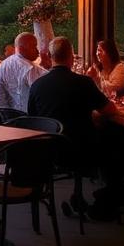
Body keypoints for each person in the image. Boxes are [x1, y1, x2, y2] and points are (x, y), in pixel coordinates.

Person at [28, 37, 118, 212]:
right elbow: (110, 110)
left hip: (49, 151)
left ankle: (83, 195)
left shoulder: (37, 86)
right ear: (71, 56)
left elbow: (32, 119)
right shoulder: (83, 83)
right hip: (81, 150)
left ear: (50, 57)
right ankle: (112, 198)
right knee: (116, 144)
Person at [0, 32, 48, 112]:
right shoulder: (30, 69)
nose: (37, 51)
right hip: (32, 119)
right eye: (34, 46)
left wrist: (7, 117)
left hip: (10, 119)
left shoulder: (2, 65)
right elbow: (43, 96)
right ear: (21, 49)